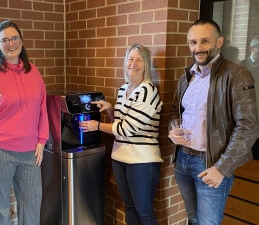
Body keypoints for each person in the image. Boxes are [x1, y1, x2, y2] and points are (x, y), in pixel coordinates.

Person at [168, 19, 258, 225]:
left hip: (211, 164)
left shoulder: (237, 75)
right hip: (183, 161)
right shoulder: (187, 76)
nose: (198, 48)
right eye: (193, 42)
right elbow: (175, 111)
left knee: (208, 223)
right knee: (192, 219)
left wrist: (222, 168)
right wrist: (173, 130)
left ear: (219, 42)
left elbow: (248, 126)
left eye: (204, 41)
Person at [0, 20, 48, 225]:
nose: (11, 43)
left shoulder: (33, 71)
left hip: (30, 150)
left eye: (15, 38)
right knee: (0, 209)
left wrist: (42, 140)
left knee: (32, 204)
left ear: (21, 41)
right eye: (4, 40)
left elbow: (42, 107)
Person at [79, 43, 163, 225]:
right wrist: (110, 109)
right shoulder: (124, 88)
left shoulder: (148, 91)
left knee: (145, 212)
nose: (134, 63)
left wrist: (97, 126)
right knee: (130, 208)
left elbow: (128, 129)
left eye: (139, 60)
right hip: (120, 156)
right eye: (130, 59)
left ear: (146, 65)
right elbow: (120, 122)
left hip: (142, 161)